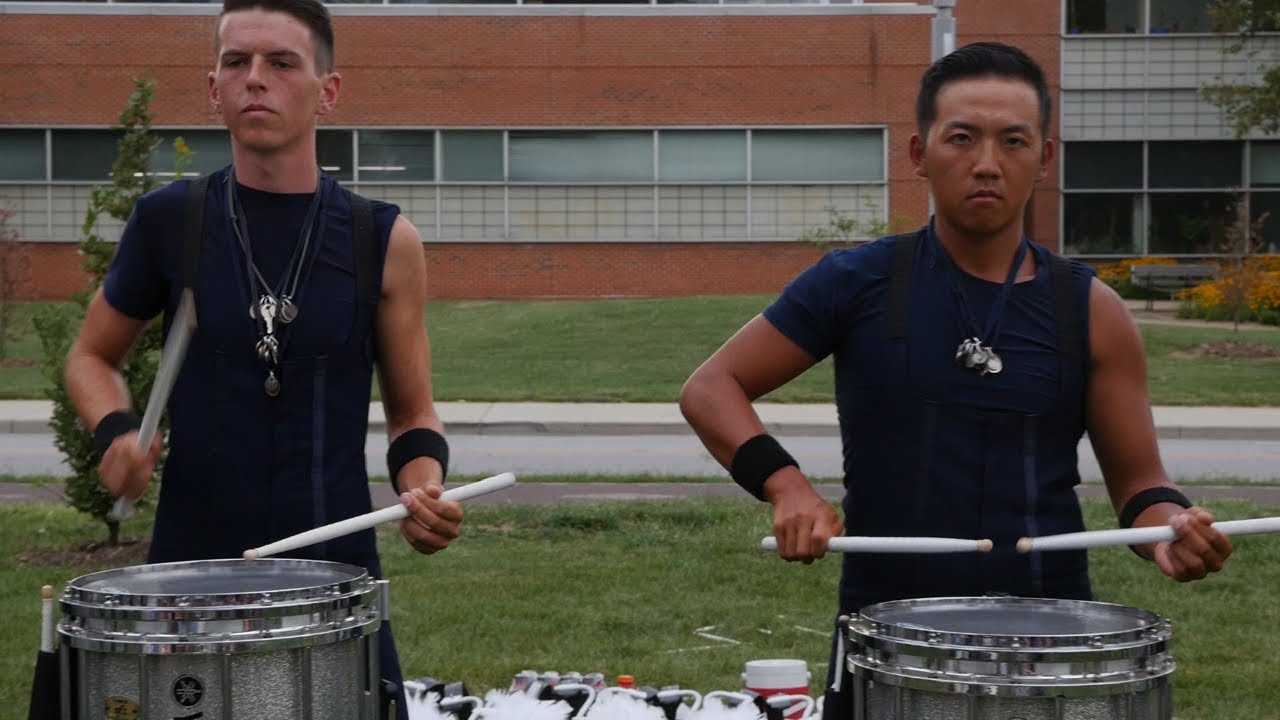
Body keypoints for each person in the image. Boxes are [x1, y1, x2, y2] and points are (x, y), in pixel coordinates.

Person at [679, 41, 1233, 711]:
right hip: (887, 645)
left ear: (1045, 159)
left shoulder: (1093, 309)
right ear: (919, 153)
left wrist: (1171, 531)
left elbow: (1141, 485)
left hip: (1051, 654)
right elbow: (712, 387)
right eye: (962, 139)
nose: (987, 165)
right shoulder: (856, 282)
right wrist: (787, 487)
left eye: (1014, 141)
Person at [63, 0, 461, 716]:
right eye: (236, 62)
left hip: (336, 577)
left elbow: (412, 414)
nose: (256, 80)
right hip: (188, 573)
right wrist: (115, 433)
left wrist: (423, 489)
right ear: (212, 86)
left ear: (326, 91)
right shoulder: (170, 223)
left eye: (281, 63)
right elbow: (92, 357)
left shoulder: (384, 240)